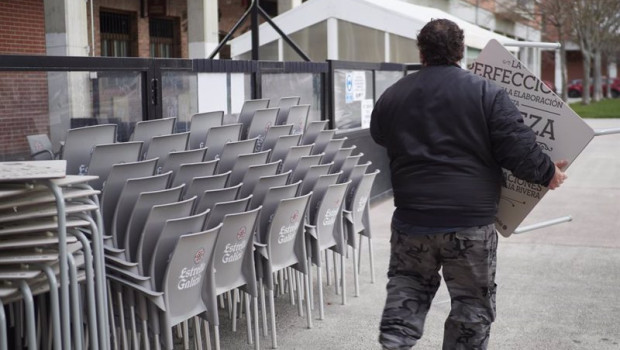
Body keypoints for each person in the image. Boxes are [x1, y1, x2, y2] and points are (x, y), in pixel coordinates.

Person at [370, 18, 567, 350]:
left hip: (412, 221)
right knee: (472, 310)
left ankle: (394, 343)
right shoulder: (486, 93)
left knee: (406, 292)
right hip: (470, 225)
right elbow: (518, 147)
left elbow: (379, 134)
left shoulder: (393, 95)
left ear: (422, 52)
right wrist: (549, 174)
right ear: (461, 51)